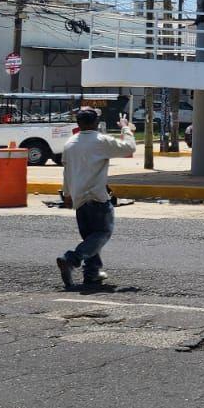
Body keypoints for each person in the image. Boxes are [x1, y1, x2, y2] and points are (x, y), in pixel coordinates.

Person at [57, 107, 137, 290]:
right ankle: (72, 259)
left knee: (90, 238)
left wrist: (67, 194)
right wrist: (125, 128)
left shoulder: (70, 143)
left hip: (79, 198)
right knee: (103, 233)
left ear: (78, 124)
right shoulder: (100, 141)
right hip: (97, 196)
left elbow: (66, 172)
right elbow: (129, 148)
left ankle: (92, 273)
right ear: (95, 123)